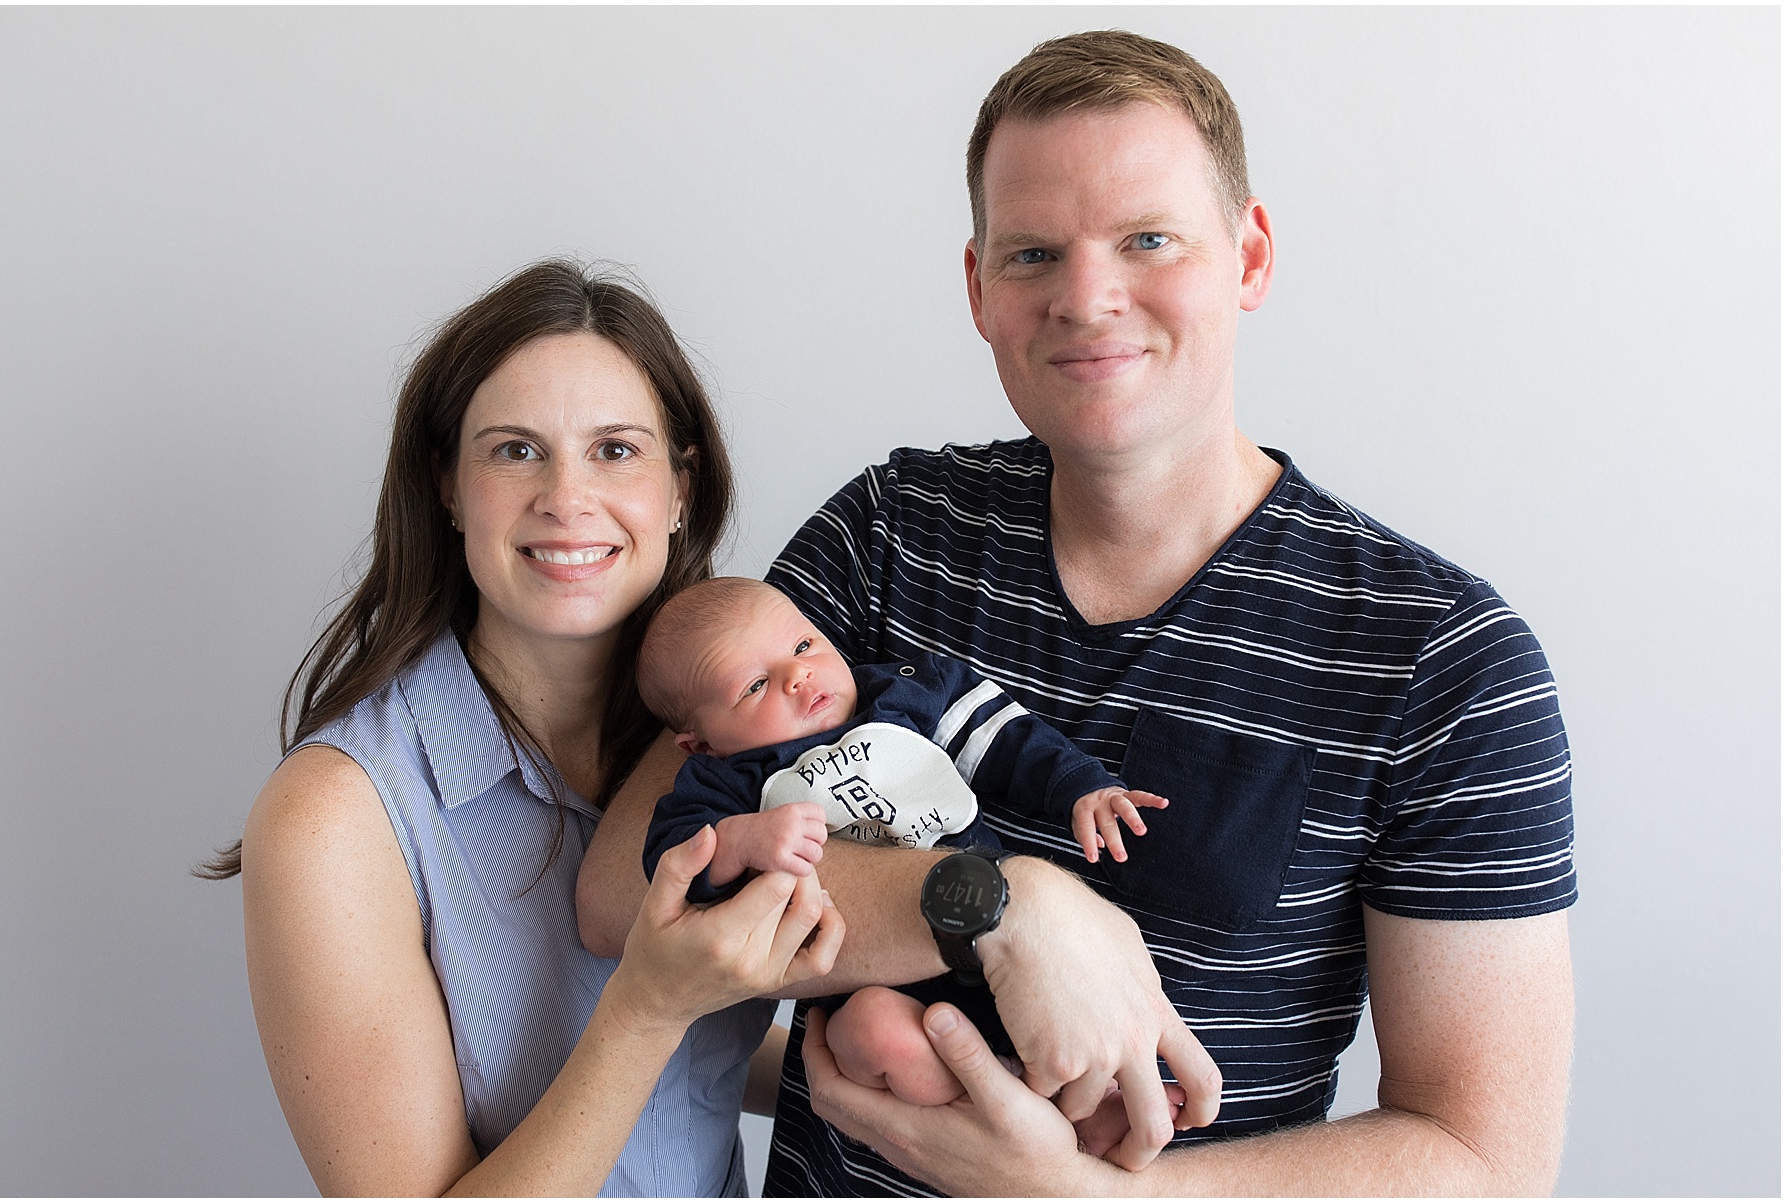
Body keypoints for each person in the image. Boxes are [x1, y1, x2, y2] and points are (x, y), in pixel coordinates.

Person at [576, 28, 1573, 1196]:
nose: (1088, 299)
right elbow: (619, 890)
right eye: (1035, 253)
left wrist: (1096, 1199)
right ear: (979, 290)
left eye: (1148, 240)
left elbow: (1484, 1160)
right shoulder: (892, 530)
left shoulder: (1444, 660)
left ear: (1249, 257)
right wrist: (1007, 910)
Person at [207, 260, 842, 1195]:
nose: (567, 497)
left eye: (616, 449)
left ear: (679, 488)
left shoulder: (720, 742)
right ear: (448, 489)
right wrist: (647, 1007)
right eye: (514, 450)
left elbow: (674, 1080)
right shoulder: (334, 817)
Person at [629, 575, 1174, 1151]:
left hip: (999, 941)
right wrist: (740, 842)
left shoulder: (899, 697)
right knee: (870, 1035)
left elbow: (1005, 738)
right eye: (756, 686)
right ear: (701, 743)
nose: (798, 677)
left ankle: (1092, 1101)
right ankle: (1025, 1109)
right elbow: (670, 862)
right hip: (874, 979)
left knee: (1060, 1008)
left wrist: (1079, 787)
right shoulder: (727, 781)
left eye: (804, 646)